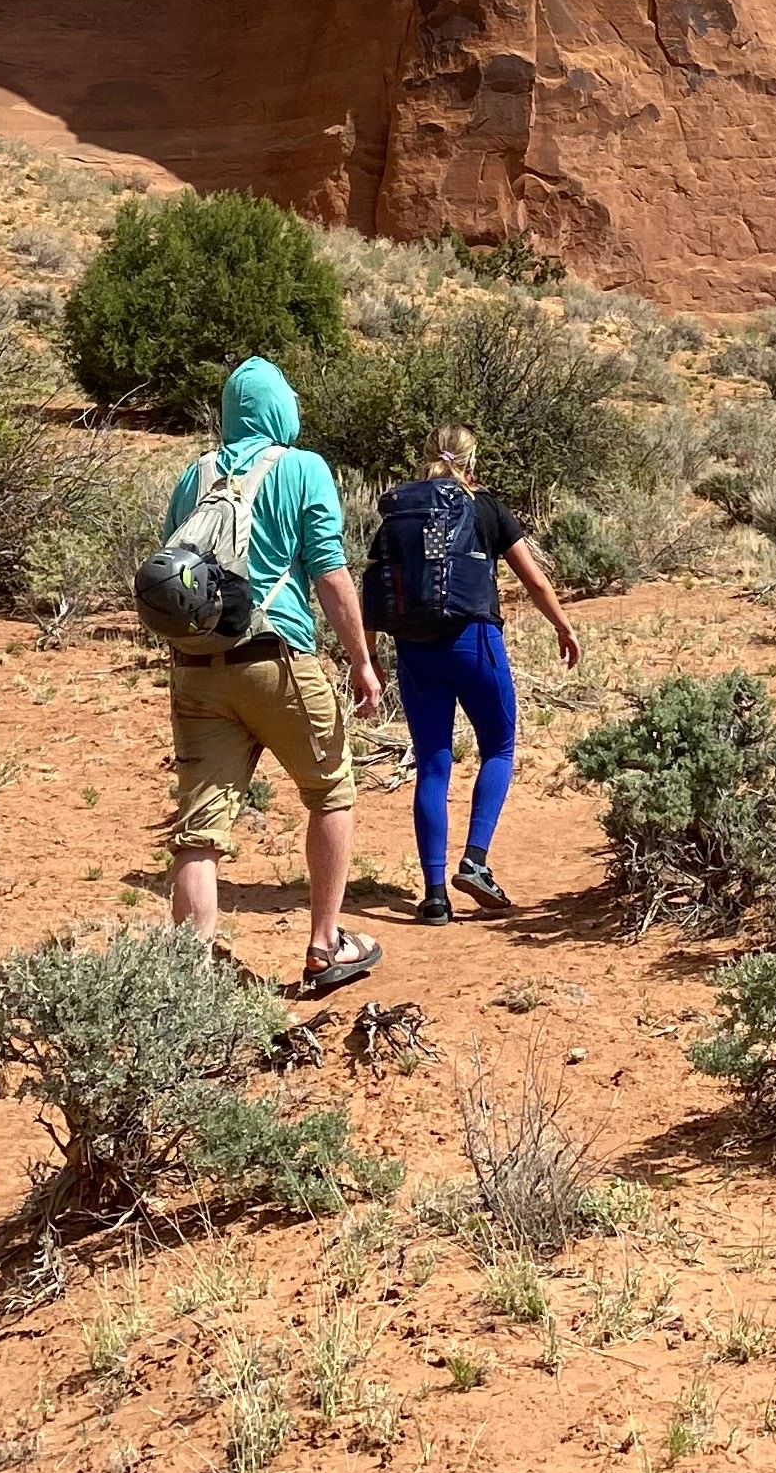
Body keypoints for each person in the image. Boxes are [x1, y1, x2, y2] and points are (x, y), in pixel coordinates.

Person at [162, 356, 385, 998]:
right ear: (278, 408)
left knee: (199, 832)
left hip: (197, 669)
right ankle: (325, 943)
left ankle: (188, 982)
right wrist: (361, 660)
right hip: (277, 656)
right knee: (330, 790)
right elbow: (330, 573)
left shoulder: (194, 474)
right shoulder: (302, 468)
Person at [367, 424, 582, 922]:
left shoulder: (400, 511)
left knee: (432, 764)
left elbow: (376, 583)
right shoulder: (485, 507)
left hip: (415, 650)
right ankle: (476, 860)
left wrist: (371, 654)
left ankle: (435, 895)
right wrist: (564, 626)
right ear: (471, 460)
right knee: (499, 747)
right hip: (474, 642)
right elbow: (533, 579)